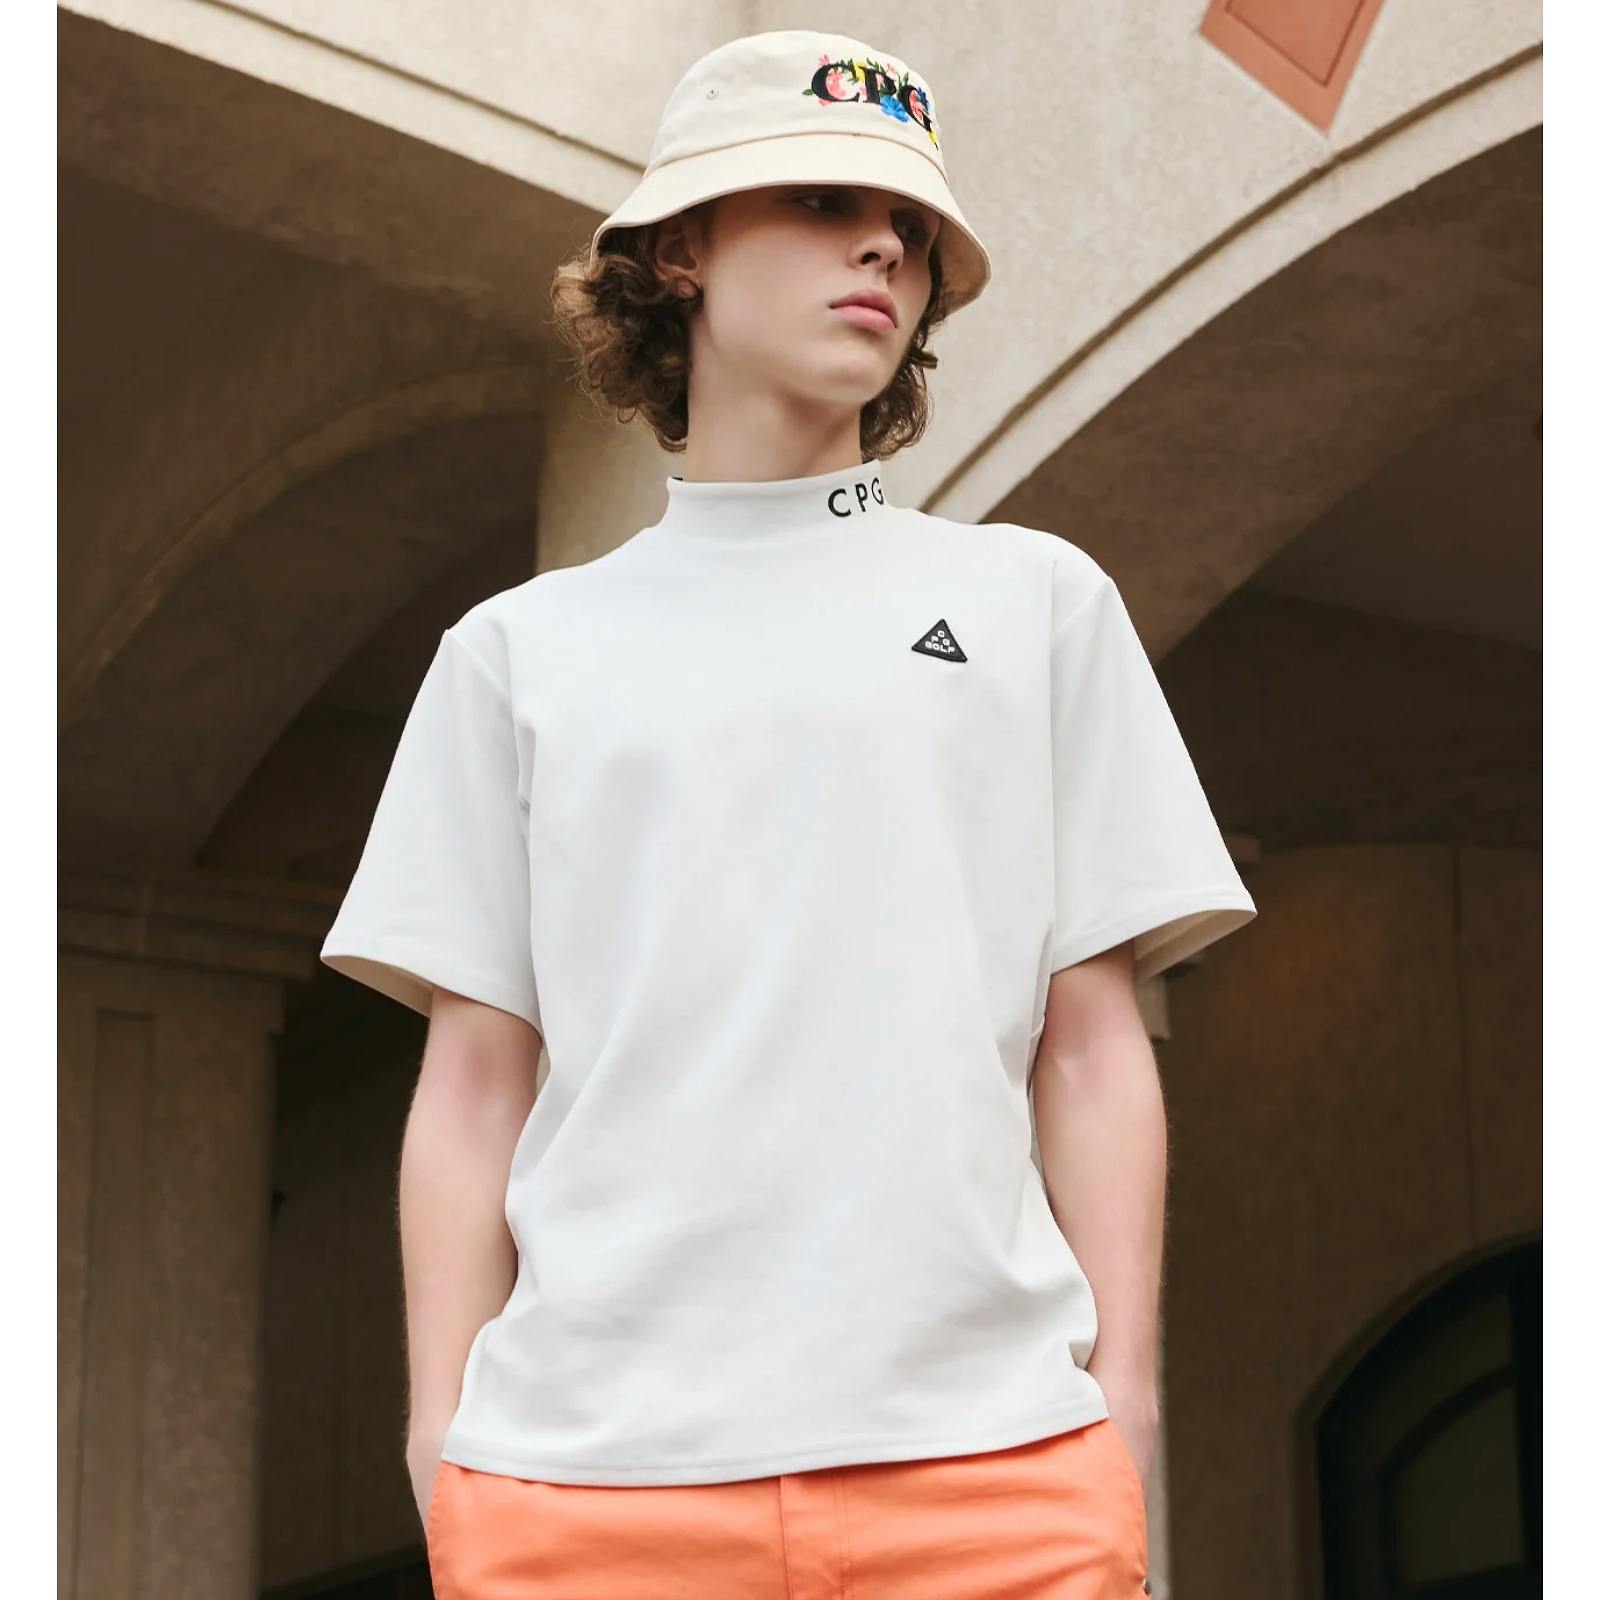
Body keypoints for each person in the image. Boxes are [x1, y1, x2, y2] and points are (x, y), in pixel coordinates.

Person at [320, 27, 1257, 1600]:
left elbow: (1093, 1046)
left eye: (911, 230)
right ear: (680, 251)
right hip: (580, 1493)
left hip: (997, 1479)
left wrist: (1123, 1413)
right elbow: (473, 1085)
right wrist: (442, 1439)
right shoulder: (516, 653)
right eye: (823, 201)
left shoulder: (1035, 603)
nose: (883, 247)